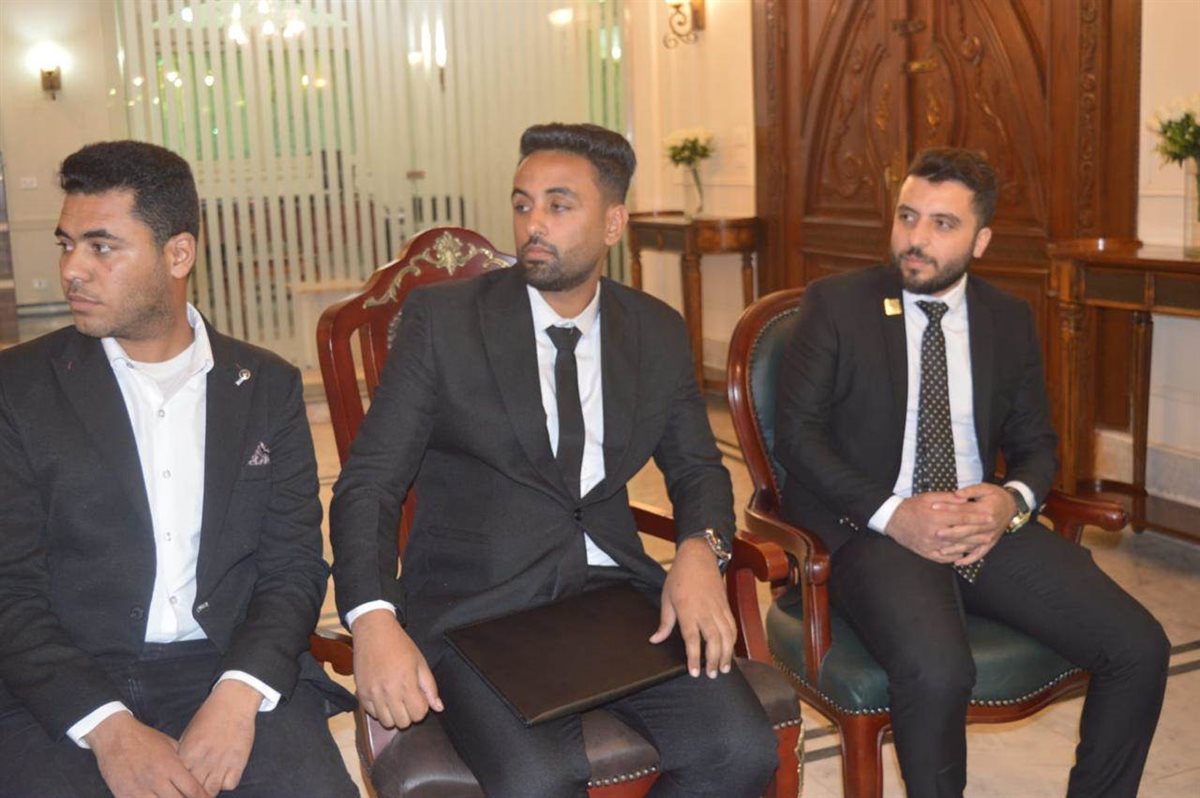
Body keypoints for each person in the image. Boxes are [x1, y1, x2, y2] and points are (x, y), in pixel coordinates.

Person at [329, 122, 777, 797]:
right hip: (477, 611)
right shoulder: (444, 323)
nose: (533, 223)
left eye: (559, 205)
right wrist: (371, 618)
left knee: (739, 750)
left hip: (614, 598)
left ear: (613, 222)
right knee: (538, 780)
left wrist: (699, 552)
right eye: (522, 204)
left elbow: (697, 469)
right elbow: (369, 483)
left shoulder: (654, 330)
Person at [774, 147, 1170, 798]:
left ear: (980, 240)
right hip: (876, 529)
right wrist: (894, 514)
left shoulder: (1006, 318)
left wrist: (1010, 501)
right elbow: (798, 437)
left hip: (982, 526)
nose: (916, 239)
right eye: (907, 216)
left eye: (942, 224)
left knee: (1138, 647)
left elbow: (1037, 444)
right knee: (937, 670)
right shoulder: (837, 304)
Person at [0, 140, 357, 798]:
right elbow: (9, 588)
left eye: (102, 247)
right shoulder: (18, 389)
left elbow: (292, 567)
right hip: (70, 677)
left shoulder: (267, 386)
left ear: (178, 254)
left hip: (228, 661)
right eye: (66, 245)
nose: (72, 269)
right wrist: (108, 728)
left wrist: (239, 694)